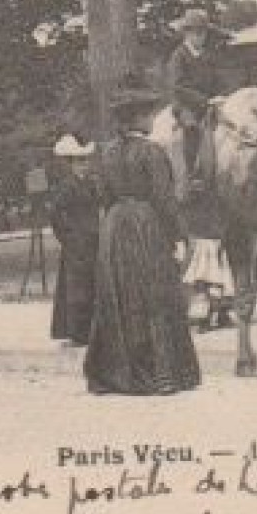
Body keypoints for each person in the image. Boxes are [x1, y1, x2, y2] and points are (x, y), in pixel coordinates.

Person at [84, 79, 202, 395]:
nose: (152, 120)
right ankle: (163, 373)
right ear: (135, 118)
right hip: (144, 225)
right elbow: (164, 198)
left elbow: (103, 196)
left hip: (115, 226)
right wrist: (181, 234)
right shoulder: (152, 153)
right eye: (148, 115)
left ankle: (115, 374)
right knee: (155, 295)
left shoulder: (106, 154)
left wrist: (114, 221)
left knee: (118, 296)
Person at [164, 8, 225, 192]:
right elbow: (177, 86)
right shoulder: (178, 56)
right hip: (185, 105)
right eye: (196, 33)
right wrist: (202, 100)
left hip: (207, 102)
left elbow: (217, 80)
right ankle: (191, 173)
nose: (201, 37)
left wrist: (220, 95)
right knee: (191, 128)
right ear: (187, 33)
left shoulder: (208, 56)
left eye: (203, 33)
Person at [48, 134, 100, 347]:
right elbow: (55, 215)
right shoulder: (66, 187)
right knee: (77, 287)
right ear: (70, 164)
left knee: (92, 283)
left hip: (93, 239)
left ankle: (92, 328)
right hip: (76, 242)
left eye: (86, 161)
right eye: (79, 162)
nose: (84, 166)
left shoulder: (92, 184)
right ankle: (77, 332)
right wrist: (67, 237)